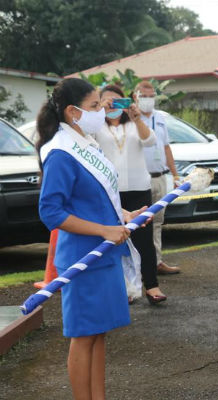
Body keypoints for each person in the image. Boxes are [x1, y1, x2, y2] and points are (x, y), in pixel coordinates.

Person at [36, 78, 147, 399]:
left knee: (98, 335)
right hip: (82, 260)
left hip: (104, 253)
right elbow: (51, 212)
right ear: (73, 112)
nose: (102, 111)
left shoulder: (85, 142)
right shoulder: (61, 152)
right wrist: (104, 230)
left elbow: (95, 198)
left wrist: (124, 215)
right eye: (95, 106)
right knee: (83, 337)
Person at [95, 84, 168, 305]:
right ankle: (124, 288)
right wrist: (100, 113)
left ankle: (152, 286)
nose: (112, 106)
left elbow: (150, 141)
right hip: (110, 191)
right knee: (116, 239)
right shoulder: (96, 127)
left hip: (138, 188)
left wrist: (137, 118)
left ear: (126, 103)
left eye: (117, 101)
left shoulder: (135, 124)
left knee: (144, 240)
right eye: (107, 101)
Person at [134, 80, 180, 275]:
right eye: (144, 96)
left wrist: (175, 174)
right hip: (140, 180)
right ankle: (138, 266)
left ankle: (157, 261)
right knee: (139, 224)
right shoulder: (131, 119)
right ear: (135, 96)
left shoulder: (160, 118)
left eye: (151, 96)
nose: (148, 100)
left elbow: (166, 146)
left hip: (159, 176)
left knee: (158, 222)